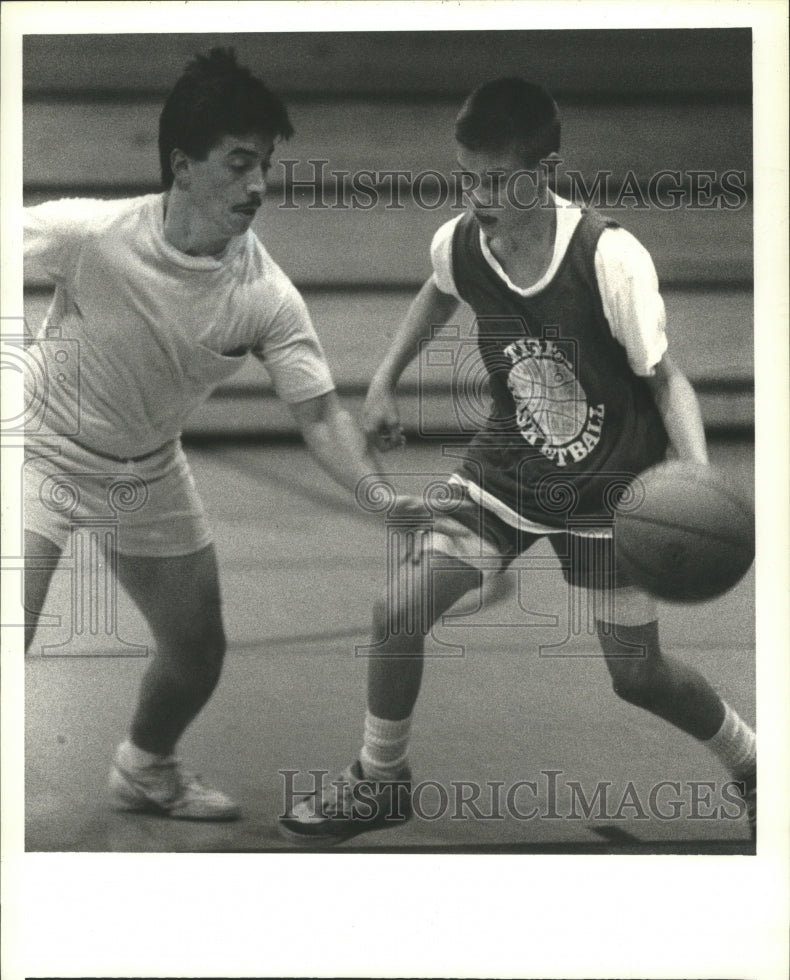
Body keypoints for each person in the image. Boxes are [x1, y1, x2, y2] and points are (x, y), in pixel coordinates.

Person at [279, 77, 757, 843]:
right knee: (396, 611)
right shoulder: (462, 239)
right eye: (468, 177)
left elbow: (667, 380)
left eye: (498, 179)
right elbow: (439, 290)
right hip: (508, 466)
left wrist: (694, 475)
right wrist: (384, 380)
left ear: (548, 167)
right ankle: (380, 779)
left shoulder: (610, 258)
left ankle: (753, 763)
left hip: (610, 491)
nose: (480, 195)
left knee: (639, 677)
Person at [22, 48, 395, 821]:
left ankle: (145, 768)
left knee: (197, 655)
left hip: (146, 469)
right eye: (237, 163)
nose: (258, 185)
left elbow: (320, 414)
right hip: (40, 449)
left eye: (264, 164)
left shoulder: (265, 294)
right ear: (183, 167)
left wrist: (383, 499)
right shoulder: (92, 235)